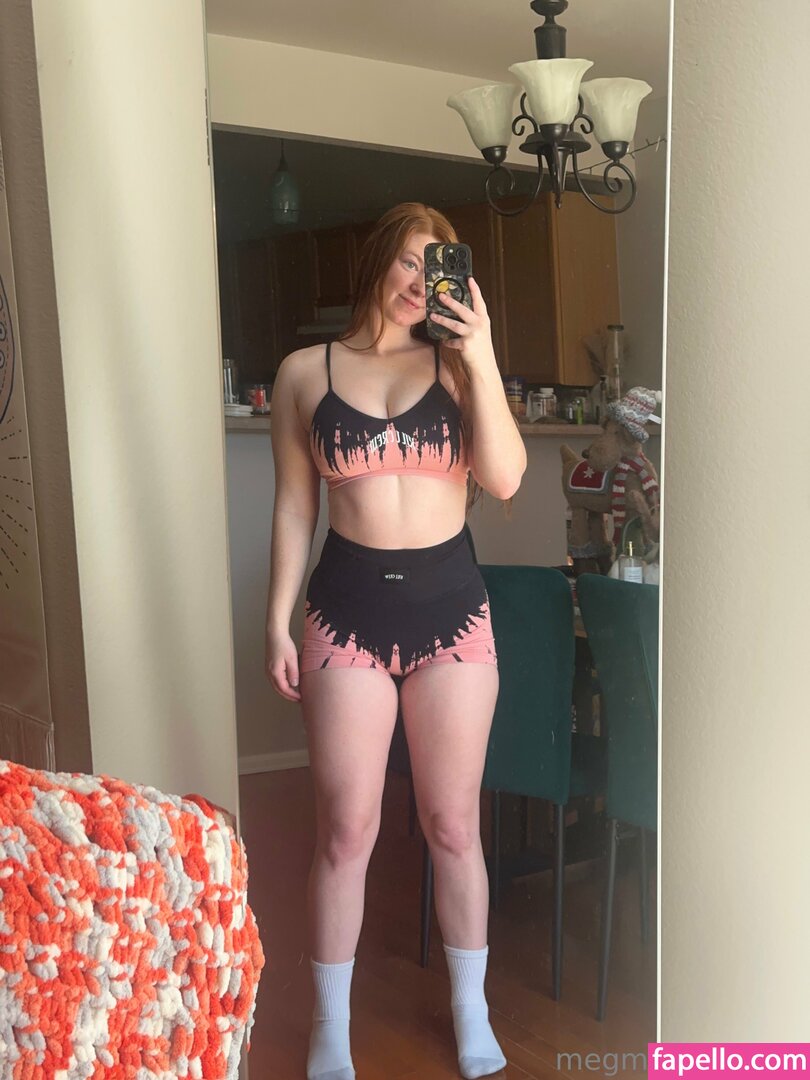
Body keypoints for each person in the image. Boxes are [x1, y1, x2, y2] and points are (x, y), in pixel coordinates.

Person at [265, 202, 527, 1080]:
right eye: (410, 262)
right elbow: (295, 505)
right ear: (379, 260)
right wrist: (275, 619)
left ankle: (470, 1009)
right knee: (346, 830)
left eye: (438, 266)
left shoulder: (459, 366)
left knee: (453, 824)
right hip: (344, 614)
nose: (422, 282)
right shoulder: (305, 372)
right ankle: (329, 1025)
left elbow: (505, 479)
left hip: (452, 614)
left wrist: (480, 353)